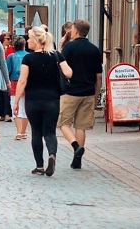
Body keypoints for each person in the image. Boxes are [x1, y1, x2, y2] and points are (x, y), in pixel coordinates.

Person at [14, 27, 72, 176]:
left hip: (33, 100)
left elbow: (22, 81)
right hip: (52, 100)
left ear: (37, 40)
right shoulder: (56, 56)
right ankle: (52, 155)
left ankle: (39, 166)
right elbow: (69, 73)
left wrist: (16, 101)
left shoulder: (28, 59)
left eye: (29, 38)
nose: (27, 41)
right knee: (50, 131)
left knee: (36, 132)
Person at [58, 19, 104, 170]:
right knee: (81, 126)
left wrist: (62, 44)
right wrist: (96, 94)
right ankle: (77, 158)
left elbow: (61, 68)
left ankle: (76, 146)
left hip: (70, 92)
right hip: (88, 92)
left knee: (63, 123)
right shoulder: (94, 49)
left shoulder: (69, 48)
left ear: (75, 31)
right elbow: (98, 76)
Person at [6, 36, 30, 140]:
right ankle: (24, 131)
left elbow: (8, 71)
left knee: (16, 107)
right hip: (28, 82)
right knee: (25, 108)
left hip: (15, 82)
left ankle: (18, 131)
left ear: (14, 46)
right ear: (24, 45)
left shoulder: (11, 57)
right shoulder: (29, 56)